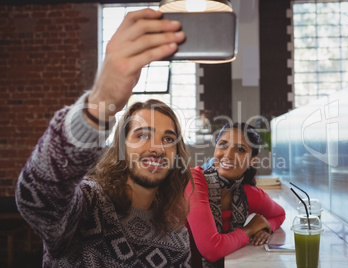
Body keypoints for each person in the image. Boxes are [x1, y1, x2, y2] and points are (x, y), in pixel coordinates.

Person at [15, 8, 193, 267]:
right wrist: (100, 104)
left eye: (169, 139)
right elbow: (37, 198)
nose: (156, 148)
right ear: (121, 146)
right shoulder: (88, 205)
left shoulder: (176, 238)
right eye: (143, 134)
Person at [185, 123, 286, 268]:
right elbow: (212, 250)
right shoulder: (193, 181)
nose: (228, 155)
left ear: (253, 160)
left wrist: (266, 227)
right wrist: (250, 229)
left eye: (240, 149)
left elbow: (279, 214)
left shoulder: (249, 194)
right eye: (223, 145)